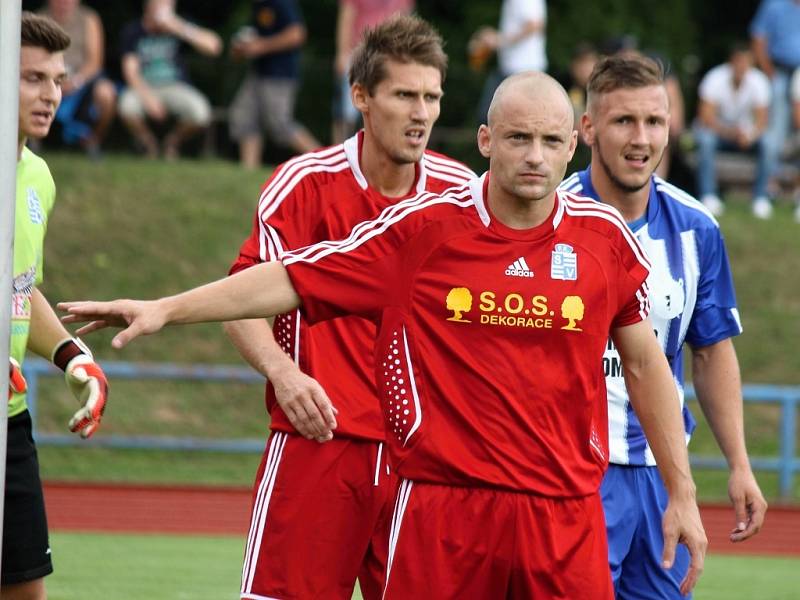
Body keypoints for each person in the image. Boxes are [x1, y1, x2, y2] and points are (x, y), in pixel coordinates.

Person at [60, 71, 708, 598]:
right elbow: (289, 277)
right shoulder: (423, 232)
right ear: (485, 139)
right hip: (444, 516)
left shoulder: (604, 243)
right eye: (516, 138)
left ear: (573, 146)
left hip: (563, 515)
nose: (533, 157)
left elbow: (649, 366)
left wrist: (680, 492)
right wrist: (167, 309)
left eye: (548, 140)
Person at [227, 15, 473, 599]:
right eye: (405, 95)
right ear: (360, 96)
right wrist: (284, 374)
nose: (421, 113)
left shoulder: (463, 194)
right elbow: (239, 301)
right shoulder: (303, 184)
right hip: (317, 446)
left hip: (424, 462)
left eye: (432, 97)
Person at [561, 52, 767, 600]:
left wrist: (740, 464)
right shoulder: (548, 220)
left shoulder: (697, 229)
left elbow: (712, 353)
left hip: (661, 476)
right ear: (588, 128)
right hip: (572, 473)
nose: (641, 138)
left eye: (654, 121)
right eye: (623, 120)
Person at [5, 13, 110, 600]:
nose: (51, 95)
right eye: (31, 78)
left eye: (58, 78)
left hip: (11, 423)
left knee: (24, 592)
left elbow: (22, 287)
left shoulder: (38, 177)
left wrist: (73, 355)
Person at [118, 0, 222, 159]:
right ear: (147, 5)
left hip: (175, 86)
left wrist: (181, 28)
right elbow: (131, 72)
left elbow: (214, 47)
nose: (163, 6)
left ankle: (172, 143)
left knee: (201, 113)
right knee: (126, 106)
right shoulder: (133, 31)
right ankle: (149, 145)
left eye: (168, 3)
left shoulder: (180, 26)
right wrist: (148, 99)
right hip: (144, 87)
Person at [228, 0, 321, 168]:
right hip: (259, 73)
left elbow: (297, 34)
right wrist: (243, 48)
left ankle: (325, 163)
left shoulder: (281, 3)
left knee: (281, 126)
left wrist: (260, 46)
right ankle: (248, 171)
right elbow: (257, 37)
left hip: (279, 75)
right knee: (244, 117)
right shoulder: (258, 5)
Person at [693, 43, 772, 218]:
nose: (742, 67)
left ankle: (761, 197)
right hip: (720, 133)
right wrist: (730, 133)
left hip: (745, 135)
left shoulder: (759, 81)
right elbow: (706, 117)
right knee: (705, 140)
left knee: (768, 143)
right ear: (731, 62)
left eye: (746, 63)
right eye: (739, 62)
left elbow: (762, 121)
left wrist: (749, 135)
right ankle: (708, 194)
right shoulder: (715, 78)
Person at [39, 0, 116, 157]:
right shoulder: (39, 19)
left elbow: (95, 62)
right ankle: (32, 142)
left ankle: (92, 141)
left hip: (82, 81)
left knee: (106, 93)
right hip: (47, 79)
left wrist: (75, 82)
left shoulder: (89, 19)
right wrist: (54, 80)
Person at [331, 0, 414, 144]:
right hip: (358, 54)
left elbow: (405, 20)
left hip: (390, 56)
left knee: (388, 107)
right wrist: (342, 53)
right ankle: (341, 151)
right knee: (346, 112)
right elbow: (347, 17)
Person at [750, 0, 800, 214]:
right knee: (775, 132)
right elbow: (758, 37)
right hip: (779, 72)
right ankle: (769, 184)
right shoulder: (774, 5)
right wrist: (768, 72)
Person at [471, 0, 547, 124]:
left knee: (493, 117)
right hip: (514, 69)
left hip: (521, 70)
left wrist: (499, 40)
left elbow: (534, 25)